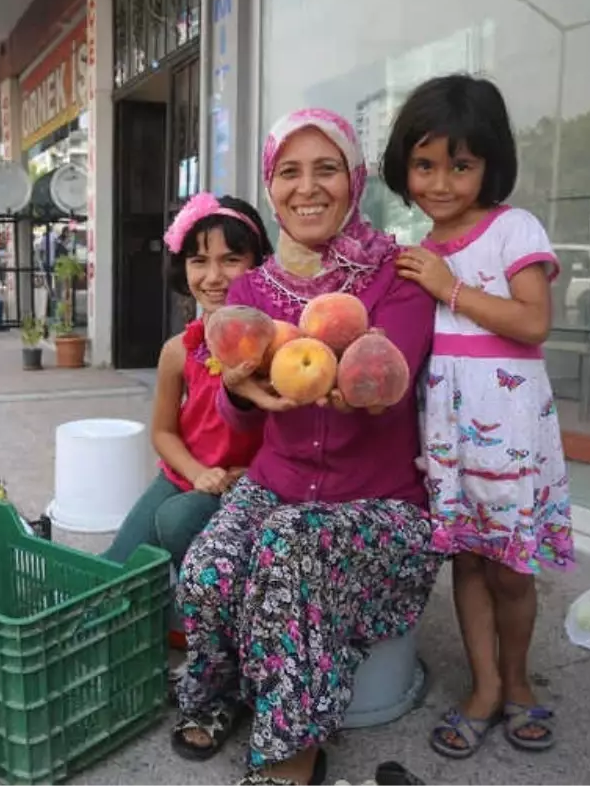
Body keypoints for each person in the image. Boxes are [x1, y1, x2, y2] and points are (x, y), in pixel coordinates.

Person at [172, 108, 442, 786]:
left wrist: (346, 382)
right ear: (271, 186)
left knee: (290, 543)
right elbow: (241, 424)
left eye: (326, 169)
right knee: (208, 567)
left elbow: (386, 382)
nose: (308, 187)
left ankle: (292, 757)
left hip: (380, 509)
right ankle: (225, 696)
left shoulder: (395, 275)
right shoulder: (251, 291)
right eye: (289, 172)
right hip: (277, 485)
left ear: (354, 181)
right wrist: (241, 391)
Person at [381, 74, 573, 758]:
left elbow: (533, 323)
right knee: (466, 562)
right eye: (425, 164)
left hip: (512, 436)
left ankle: (520, 682)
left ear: (490, 164)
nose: (441, 182)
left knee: (512, 569)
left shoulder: (512, 228)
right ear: (404, 166)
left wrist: (450, 288)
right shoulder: (416, 251)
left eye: (461, 166)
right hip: (451, 436)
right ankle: (485, 687)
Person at [103, 193, 269, 571]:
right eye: (199, 261)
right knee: (113, 569)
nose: (213, 277)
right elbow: (163, 432)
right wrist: (197, 473)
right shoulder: (178, 350)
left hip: (243, 487)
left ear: (258, 264)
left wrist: (260, 469)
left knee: (177, 523)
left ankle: (196, 610)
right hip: (183, 473)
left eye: (231, 260)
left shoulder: (274, 348)